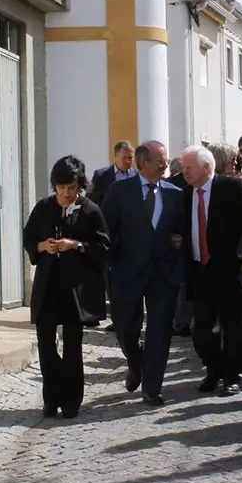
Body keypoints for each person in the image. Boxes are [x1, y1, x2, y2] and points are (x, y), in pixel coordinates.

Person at [22, 156, 110, 419]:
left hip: (75, 289)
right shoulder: (43, 208)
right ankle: (51, 398)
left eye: (71, 188)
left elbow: (103, 247)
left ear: (79, 185)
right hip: (48, 287)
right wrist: (42, 247)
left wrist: (77, 246)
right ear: (54, 186)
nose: (66, 194)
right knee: (46, 344)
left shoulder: (90, 210)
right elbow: (29, 238)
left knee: (73, 346)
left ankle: (71, 400)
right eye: (61, 189)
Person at [101, 141, 186, 406]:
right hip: (128, 271)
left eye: (166, 159)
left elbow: (182, 230)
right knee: (126, 328)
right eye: (160, 160)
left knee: (160, 331)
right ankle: (135, 363)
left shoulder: (174, 193)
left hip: (163, 273)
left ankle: (152, 388)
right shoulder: (120, 191)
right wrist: (111, 266)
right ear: (143, 163)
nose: (165, 164)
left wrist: (177, 244)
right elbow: (106, 231)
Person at [180, 145, 242, 396]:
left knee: (235, 329)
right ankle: (213, 369)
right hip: (201, 271)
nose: (184, 172)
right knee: (201, 331)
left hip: (233, 270)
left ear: (207, 167)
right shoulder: (185, 195)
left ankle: (231, 376)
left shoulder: (232, 188)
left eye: (189, 168)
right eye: (183, 168)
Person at [88, 140, 137, 205]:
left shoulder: (137, 175)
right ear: (116, 156)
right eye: (124, 157)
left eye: (130, 158)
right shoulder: (101, 175)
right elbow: (92, 202)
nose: (128, 161)